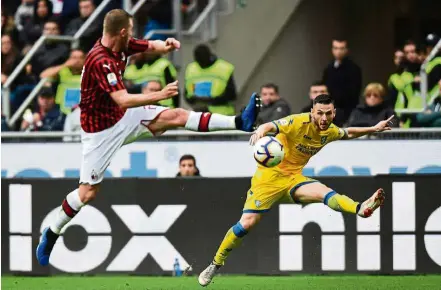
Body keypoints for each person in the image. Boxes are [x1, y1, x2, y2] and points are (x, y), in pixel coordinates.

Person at [36, 9, 261, 266]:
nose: (132, 35)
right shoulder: (101, 60)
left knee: (176, 115)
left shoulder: (121, 44)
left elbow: (147, 45)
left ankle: (239, 122)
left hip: (123, 116)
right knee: (87, 194)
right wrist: (159, 94)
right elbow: (122, 97)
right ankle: (52, 231)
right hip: (99, 133)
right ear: (121, 32)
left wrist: (164, 46)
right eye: (130, 30)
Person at [198, 94, 393, 286]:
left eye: (328, 114)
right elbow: (271, 126)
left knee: (323, 192)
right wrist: (260, 132)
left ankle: (360, 208)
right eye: (319, 113)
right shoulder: (297, 122)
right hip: (268, 180)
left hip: (294, 180)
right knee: (246, 224)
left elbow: (348, 132)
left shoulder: (330, 131)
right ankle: (215, 263)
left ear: (334, 113)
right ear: (312, 112)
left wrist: (374, 128)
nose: (323, 118)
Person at [185, 44, 237, 116]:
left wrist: (211, 101)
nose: (202, 64)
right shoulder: (191, 69)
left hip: (221, 116)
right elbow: (187, 95)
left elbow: (232, 95)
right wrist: (196, 101)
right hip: (199, 116)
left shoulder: (223, 68)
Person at [322, 38, 362, 126]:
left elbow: (355, 92)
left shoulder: (353, 69)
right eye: (336, 48)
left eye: (341, 48)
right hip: (330, 109)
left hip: (348, 110)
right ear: (332, 50)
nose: (338, 51)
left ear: (346, 50)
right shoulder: (329, 68)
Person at [40, 49, 85, 115]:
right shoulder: (63, 71)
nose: (77, 60)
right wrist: (65, 64)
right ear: (69, 59)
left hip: (82, 112)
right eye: (74, 58)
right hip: (61, 111)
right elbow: (43, 75)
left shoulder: (89, 72)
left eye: (80, 58)